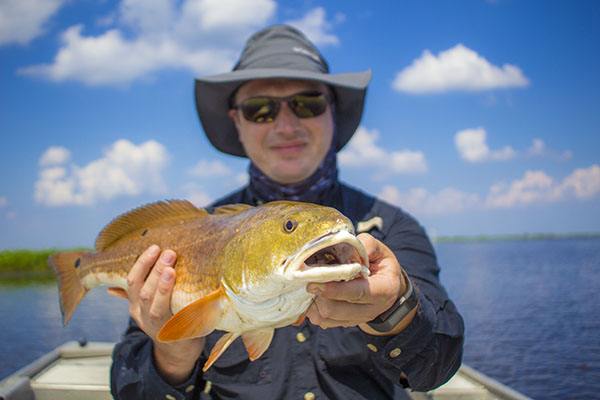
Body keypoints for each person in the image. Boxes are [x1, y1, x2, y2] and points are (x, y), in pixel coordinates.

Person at [110, 25, 464, 400]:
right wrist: (172, 352)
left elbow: (437, 366)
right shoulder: (189, 234)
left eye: (307, 103)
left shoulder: (393, 227)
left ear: (333, 113)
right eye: (260, 109)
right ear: (237, 122)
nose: (286, 124)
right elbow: (128, 390)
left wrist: (396, 308)